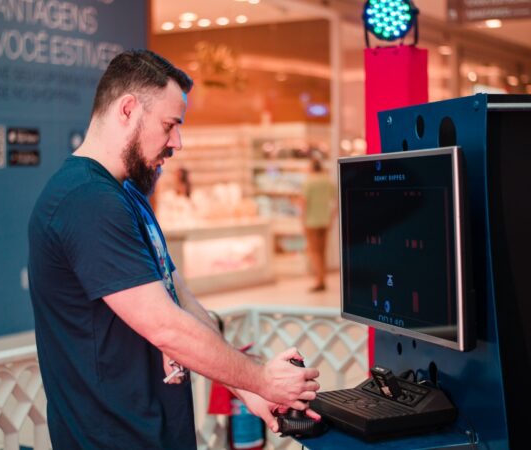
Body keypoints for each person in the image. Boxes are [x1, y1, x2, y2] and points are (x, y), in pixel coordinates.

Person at [28, 50, 321, 450]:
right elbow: (164, 325)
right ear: (127, 109)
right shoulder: (85, 200)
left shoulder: (124, 195)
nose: (177, 142)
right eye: (170, 125)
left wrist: (247, 389)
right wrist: (262, 379)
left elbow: (178, 298)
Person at [301, 159, 336, 292]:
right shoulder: (327, 181)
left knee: (314, 252)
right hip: (325, 221)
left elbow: (304, 202)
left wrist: (302, 220)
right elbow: (334, 201)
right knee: (322, 251)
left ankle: (319, 280)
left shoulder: (309, 182)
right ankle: (322, 278)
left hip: (311, 221)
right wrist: (332, 218)